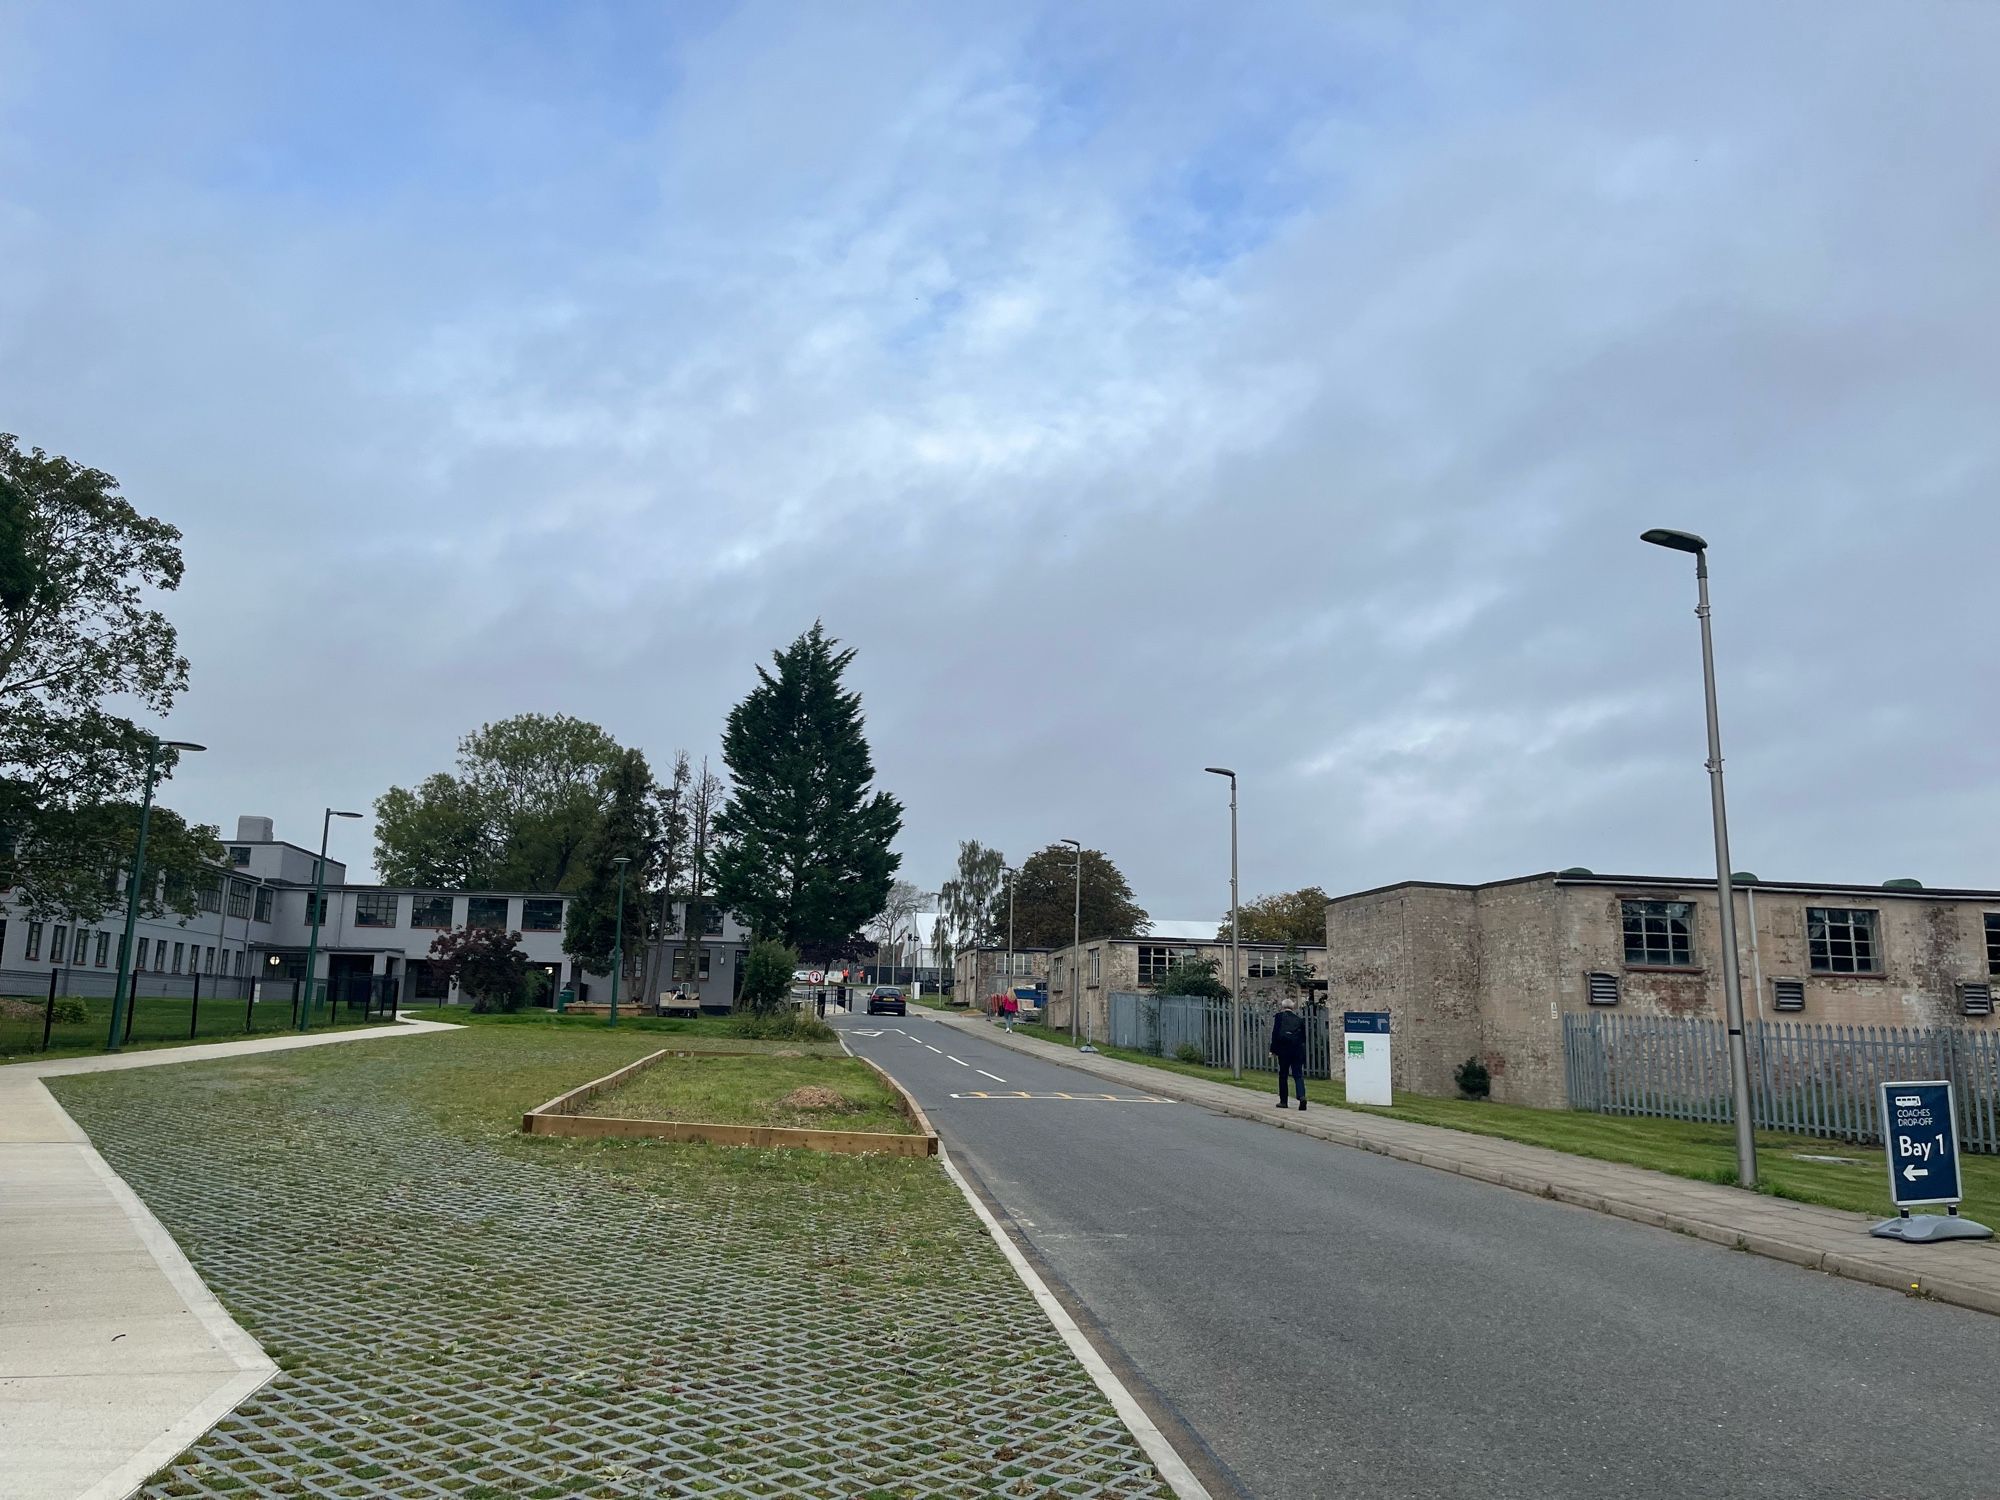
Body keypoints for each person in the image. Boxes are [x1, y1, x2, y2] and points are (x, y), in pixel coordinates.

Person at [1270, 996, 1308, 1110]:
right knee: (1298, 1075)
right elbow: (1303, 1037)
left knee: (1283, 1075)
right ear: (1292, 1007)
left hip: (1284, 1050)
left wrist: (1273, 1050)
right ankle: (1302, 1097)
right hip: (1297, 1050)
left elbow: (1275, 1034)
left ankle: (1283, 1101)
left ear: (1282, 1007)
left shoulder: (1279, 1017)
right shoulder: (1299, 1019)